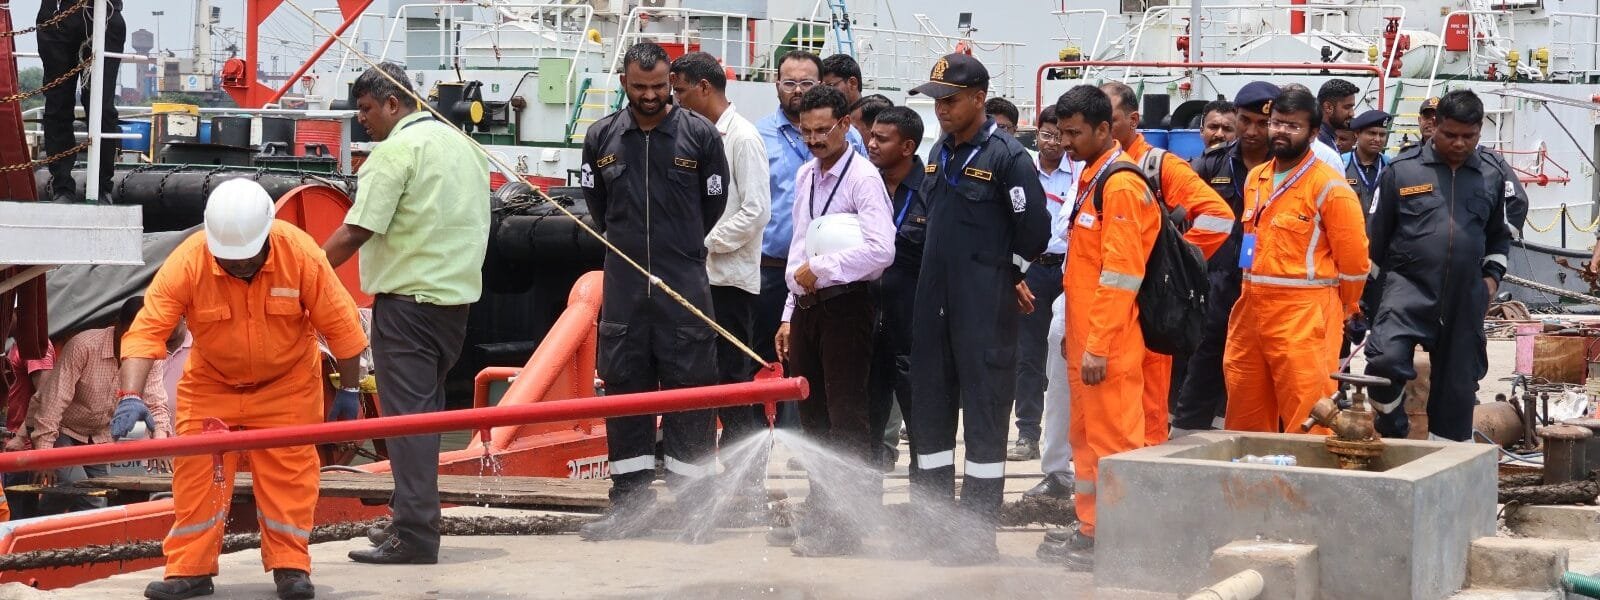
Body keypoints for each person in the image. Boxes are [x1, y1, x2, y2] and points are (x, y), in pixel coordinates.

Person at [123, 179, 368, 600]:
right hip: (211, 384)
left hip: (287, 385)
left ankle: (291, 567)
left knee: (289, 478)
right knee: (196, 476)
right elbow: (146, 331)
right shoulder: (189, 261)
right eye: (228, 259)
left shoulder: (301, 254)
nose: (237, 266)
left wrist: (349, 390)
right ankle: (189, 570)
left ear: (267, 235)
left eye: (246, 258)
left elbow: (342, 327)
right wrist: (130, 395)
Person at [319, 61, 490, 565]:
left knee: (408, 423)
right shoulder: (463, 146)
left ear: (393, 103)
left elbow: (357, 229)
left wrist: (305, 271)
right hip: (454, 306)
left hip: (407, 306)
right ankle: (407, 515)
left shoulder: (395, 153)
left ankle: (415, 535)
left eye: (367, 109)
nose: (362, 119)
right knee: (425, 418)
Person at [574, 42, 730, 543]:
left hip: (683, 288)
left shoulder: (700, 135)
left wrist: (677, 248)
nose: (650, 96)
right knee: (625, 396)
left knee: (691, 397)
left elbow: (713, 204)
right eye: (640, 87)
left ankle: (694, 511)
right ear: (624, 82)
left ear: (671, 83)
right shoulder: (600, 137)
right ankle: (630, 508)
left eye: (659, 87)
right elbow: (599, 209)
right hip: (624, 291)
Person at [905, 53, 1049, 565]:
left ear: (978, 98)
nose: (941, 109)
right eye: (936, 101)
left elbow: (1034, 231)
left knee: (986, 419)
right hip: (934, 305)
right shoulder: (938, 151)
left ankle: (975, 534)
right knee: (931, 415)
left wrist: (1004, 274)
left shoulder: (1008, 157)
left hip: (984, 310)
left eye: (950, 100)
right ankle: (933, 526)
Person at [772, 85, 896, 556]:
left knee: (846, 416)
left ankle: (845, 524)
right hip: (807, 307)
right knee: (813, 415)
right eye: (806, 132)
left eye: (823, 130)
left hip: (847, 306)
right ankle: (821, 509)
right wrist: (789, 313)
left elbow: (881, 251)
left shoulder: (863, 179)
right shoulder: (806, 174)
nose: (814, 140)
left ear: (845, 124)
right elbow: (799, 245)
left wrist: (824, 269)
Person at [1048, 84, 1163, 571]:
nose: (1066, 143)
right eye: (1062, 133)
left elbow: (1121, 275)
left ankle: (1125, 542)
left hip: (1108, 345)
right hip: (1087, 340)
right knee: (1086, 441)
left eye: (1074, 134)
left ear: (1103, 129)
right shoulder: (1094, 177)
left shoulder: (1119, 186)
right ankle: (1093, 530)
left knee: (1115, 445)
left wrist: (1096, 346)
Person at [1364, 90, 1522, 441]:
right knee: (1384, 361)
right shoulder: (1402, 171)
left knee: (1457, 390)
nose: (1459, 143)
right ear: (1434, 125)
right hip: (1407, 289)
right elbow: (1375, 241)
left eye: (1469, 136)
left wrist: (1491, 280)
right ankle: (1392, 428)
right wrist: (1368, 304)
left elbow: (1498, 236)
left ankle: (1446, 457)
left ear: (1479, 131)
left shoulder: (1491, 175)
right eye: (1450, 134)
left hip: (1465, 296)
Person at [1094, 81, 1234, 448]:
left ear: (1132, 120)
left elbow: (1218, 216)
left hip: (1147, 308)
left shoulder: (1157, 165)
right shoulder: (1093, 167)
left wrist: (1171, 262)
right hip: (1105, 308)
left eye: (1109, 119)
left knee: (1148, 410)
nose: (1100, 127)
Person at [1223, 88, 1369, 434]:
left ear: (1313, 133)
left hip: (1304, 317)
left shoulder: (1330, 187)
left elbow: (1354, 262)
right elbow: (1251, 239)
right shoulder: (1257, 178)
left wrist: (1344, 308)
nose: (1281, 132)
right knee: (1244, 412)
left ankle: (1309, 472)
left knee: (1308, 415)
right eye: (1276, 123)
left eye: (1293, 126)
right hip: (1250, 309)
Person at [668, 52, 772, 501]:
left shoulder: (742, 138)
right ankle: (703, 476)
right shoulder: (693, 136)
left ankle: (745, 481)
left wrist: (704, 242)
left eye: (680, 91)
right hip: (696, 277)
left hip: (728, 281)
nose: (675, 99)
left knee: (732, 381)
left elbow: (756, 211)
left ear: (704, 88)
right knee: (695, 378)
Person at [1170, 81, 1278, 435]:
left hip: (1268, 285)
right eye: (1245, 120)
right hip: (1216, 285)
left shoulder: (1288, 168)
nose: (1252, 131)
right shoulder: (1210, 165)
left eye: (1262, 123)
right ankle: (1184, 440)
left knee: (1264, 371)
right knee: (1204, 366)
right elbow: (1177, 220)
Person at [756, 52, 865, 385]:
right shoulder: (758, 135)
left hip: (833, 279)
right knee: (765, 360)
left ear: (820, 84)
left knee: (822, 370)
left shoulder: (850, 139)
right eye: (790, 82)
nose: (798, 90)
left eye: (807, 82)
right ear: (776, 85)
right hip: (772, 270)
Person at [29, 298, 173, 515]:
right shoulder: (84, 345)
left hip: (97, 435)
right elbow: (53, 403)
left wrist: (160, 443)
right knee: (77, 486)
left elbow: (156, 403)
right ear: (117, 326)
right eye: (130, 334)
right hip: (60, 429)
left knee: (100, 495)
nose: (135, 341)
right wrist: (44, 455)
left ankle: (70, 530)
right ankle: (37, 523)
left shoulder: (150, 353)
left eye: (142, 335)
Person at [1010, 104, 1081, 464]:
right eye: (1046, 135)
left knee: (1068, 351)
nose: (1053, 142)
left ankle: (1071, 438)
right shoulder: (1022, 170)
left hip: (1070, 270)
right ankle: (1027, 433)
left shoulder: (1080, 172)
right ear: (1036, 134)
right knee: (1029, 353)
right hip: (1033, 268)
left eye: (1059, 135)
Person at [864, 106, 928, 471]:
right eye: (871, 136)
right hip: (868, 321)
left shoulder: (932, 189)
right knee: (867, 420)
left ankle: (925, 496)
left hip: (913, 327)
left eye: (882, 139)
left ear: (907, 147)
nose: (871, 144)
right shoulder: (863, 185)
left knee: (921, 421)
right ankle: (865, 495)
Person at [36, 0, 124, 204]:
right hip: (57, 15)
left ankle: (102, 187)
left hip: (105, 15)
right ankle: (62, 187)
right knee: (57, 105)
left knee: (102, 109)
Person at [1280, 83, 1347, 169]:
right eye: (1277, 122)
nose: (1282, 130)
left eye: (1294, 126)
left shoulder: (1329, 159)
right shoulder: (1270, 150)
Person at [1342, 109, 1392, 213]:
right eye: (1372, 133)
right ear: (1357, 133)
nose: (1377, 139)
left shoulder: (1390, 167)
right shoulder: (1342, 164)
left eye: (1382, 135)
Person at [1316, 79, 1359, 149]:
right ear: (1328, 107)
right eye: (1347, 107)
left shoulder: (1326, 136)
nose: (1352, 114)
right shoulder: (1317, 141)